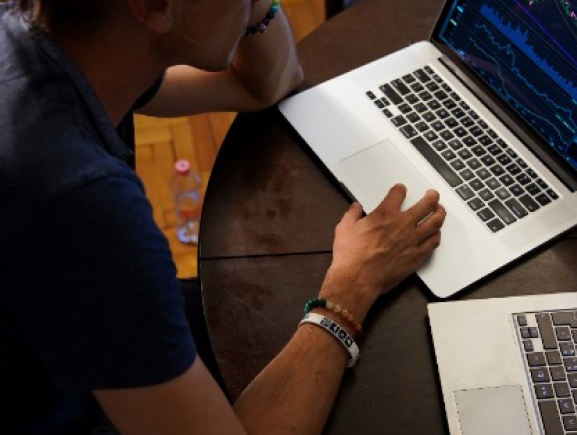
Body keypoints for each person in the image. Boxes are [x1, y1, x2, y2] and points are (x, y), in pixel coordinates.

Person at [0, 0, 446, 433]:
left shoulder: (52, 38)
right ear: (153, 7)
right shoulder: (80, 203)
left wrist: (249, 10)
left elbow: (267, 83)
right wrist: (352, 288)